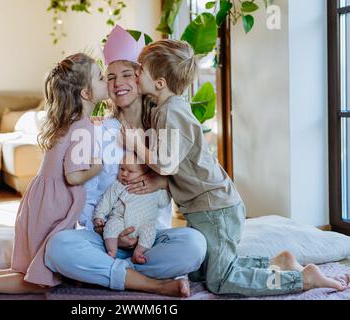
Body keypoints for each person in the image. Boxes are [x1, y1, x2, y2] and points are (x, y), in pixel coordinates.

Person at [132, 38, 349, 296]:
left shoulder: (170, 113)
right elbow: (180, 165)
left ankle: (301, 280)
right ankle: (277, 264)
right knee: (202, 270)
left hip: (215, 210)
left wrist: (135, 143)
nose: (136, 73)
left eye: (140, 69)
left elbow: (166, 164)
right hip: (206, 207)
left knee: (220, 281)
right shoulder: (167, 109)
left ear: (159, 82)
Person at [44, 25, 207, 298]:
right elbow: (85, 195)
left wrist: (160, 181)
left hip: (150, 238)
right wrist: (106, 231)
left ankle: (107, 273)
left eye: (127, 75)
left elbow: (185, 181)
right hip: (104, 238)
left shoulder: (165, 128)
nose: (118, 83)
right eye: (110, 77)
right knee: (58, 247)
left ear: (144, 79)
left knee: (195, 244)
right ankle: (146, 282)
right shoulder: (97, 132)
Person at [0, 53, 107, 299]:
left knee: (33, 269)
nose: (106, 81)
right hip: (54, 206)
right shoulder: (83, 126)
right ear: (86, 94)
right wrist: (98, 165)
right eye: (101, 77)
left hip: (40, 201)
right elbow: (73, 177)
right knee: (41, 281)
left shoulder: (71, 121)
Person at [93, 153, 171, 264]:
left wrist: (164, 186)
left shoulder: (153, 188)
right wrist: (99, 215)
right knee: (110, 226)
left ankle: (138, 253)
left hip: (144, 223)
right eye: (122, 169)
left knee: (149, 232)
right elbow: (106, 201)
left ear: (145, 174)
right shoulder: (118, 185)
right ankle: (111, 251)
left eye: (130, 171)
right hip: (120, 219)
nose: (124, 173)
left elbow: (165, 201)